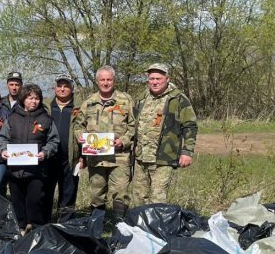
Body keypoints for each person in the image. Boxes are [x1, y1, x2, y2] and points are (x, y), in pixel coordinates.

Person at [73, 65, 135, 217]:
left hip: (119, 157)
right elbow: (78, 126)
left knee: (120, 192)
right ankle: (97, 229)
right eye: (102, 80)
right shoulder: (88, 102)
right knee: (96, 194)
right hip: (96, 158)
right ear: (97, 81)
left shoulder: (125, 100)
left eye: (109, 79)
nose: (106, 83)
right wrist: (81, 137)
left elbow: (134, 126)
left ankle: (120, 228)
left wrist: (123, 141)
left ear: (114, 81)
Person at [132, 63, 198, 205]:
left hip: (164, 157)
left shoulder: (178, 99)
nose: (155, 82)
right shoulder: (142, 97)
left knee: (158, 198)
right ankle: (140, 226)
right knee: (139, 196)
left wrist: (187, 151)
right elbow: (133, 123)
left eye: (158, 78)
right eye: (151, 79)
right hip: (141, 157)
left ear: (167, 79)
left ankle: (156, 226)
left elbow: (190, 125)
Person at [0, 83, 59, 233]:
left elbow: (54, 140)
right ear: (23, 99)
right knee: (17, 202)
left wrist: (45, 152)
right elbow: (2, 137)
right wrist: (4, 150)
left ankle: (35, 231)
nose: (34, 101)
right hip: (15, 170)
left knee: (35, 202)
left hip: (37, 171)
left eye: (37, 98)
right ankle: (20, 230)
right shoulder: (12, 118)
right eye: (30, 98)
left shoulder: (46, 119)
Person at [43, 73, 80, 222]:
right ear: (55, 87)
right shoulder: (45, 105)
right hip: (48, 157)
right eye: (60, 86)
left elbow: (87, 131)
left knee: (68, 194)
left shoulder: (80, 106)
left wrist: (83, 156)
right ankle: (44, 223)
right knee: (45, 192)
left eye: (66, 86)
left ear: (72, 88)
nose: (62, 89)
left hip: (70, 158)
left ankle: (65, 226)